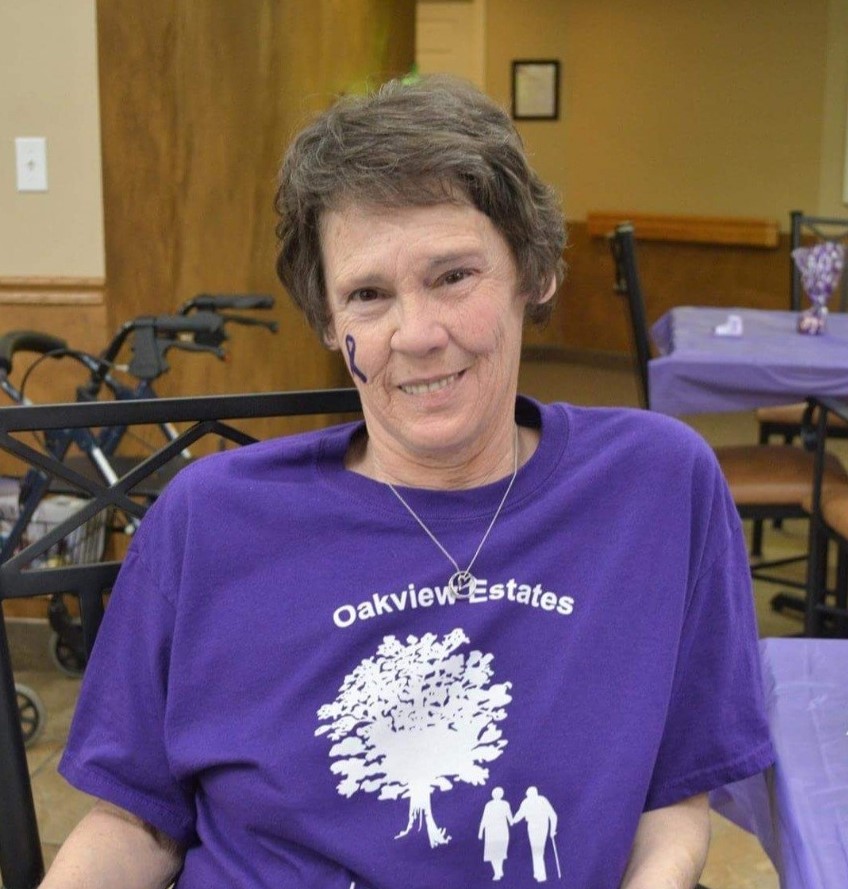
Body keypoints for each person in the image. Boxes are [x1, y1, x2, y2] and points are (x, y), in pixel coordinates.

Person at [41, 75, 773, 888]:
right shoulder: (209, 518)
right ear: (329, 320)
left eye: (453, 276)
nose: (416, 334)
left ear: (533, 273)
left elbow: (675, 797)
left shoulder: (655, 488)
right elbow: (136, 822)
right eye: (368, 294)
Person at [513, 786, 558, 882]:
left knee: (537, 850)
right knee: (537, 850)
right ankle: (538, 873)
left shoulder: (529, 801)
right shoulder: (540, 800)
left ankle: (541, 875)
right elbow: (553, 815)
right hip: (539, 826)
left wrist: (552, 830)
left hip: (538, 826)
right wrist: (552, 830)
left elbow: (519, 815)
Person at [478, 787, 514, 880]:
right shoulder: (495, 804)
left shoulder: (492, 805)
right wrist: (480, 831)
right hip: (496, 830)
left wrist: (481, 832)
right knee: (496, 852)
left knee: (496, 852)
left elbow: (484, 819)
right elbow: (485, 818)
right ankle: (498, 871)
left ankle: (498, 872)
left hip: (496, 831)